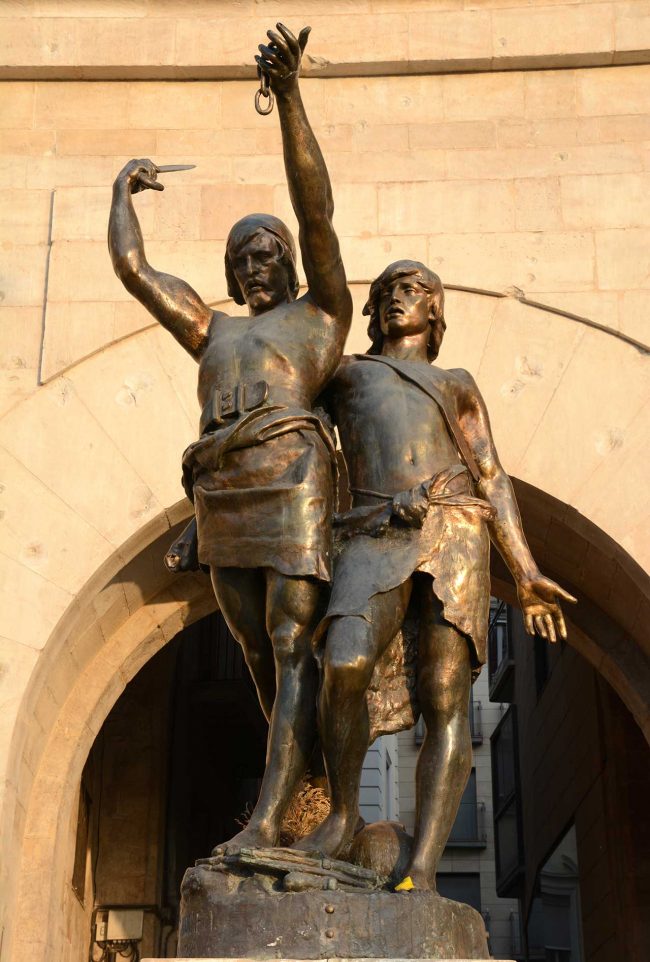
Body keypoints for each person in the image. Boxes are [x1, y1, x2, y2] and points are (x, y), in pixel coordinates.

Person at [108, 24, 352, 853]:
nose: (254, 264)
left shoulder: (319, 316)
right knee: (253, 642)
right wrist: (120, 193)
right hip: (225, 487)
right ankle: (305, 758)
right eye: (241, 256)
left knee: (289, 636)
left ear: (288, 263)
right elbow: (139, 274)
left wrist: (288, 98)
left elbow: (314, 204)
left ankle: (273, 811)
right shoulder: (211, 331)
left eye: (266, 252)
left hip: (295, 479)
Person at [296, 259, 575, 890]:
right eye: (386, 293)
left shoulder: (456, 383)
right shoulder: (346, 373)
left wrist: (526, 571)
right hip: (374, 530)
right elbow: (294, 433)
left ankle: (420, 869)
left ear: (435, 309)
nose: (397, 299)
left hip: (455, 533)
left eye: (412, 289)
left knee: (445, 694)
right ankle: (343, 815)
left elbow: (493, 475)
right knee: (343, 661)